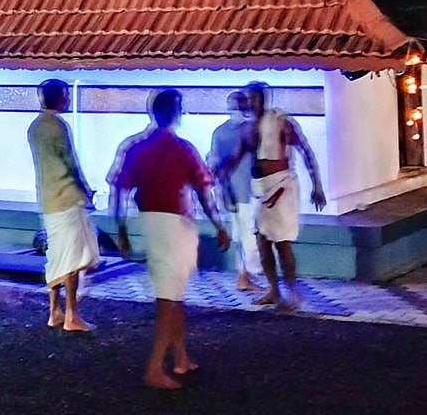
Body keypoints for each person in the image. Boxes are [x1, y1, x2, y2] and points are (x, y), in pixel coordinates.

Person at [109, 89, 229, 390]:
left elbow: (120, 191)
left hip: (150, 221)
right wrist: (219, 225)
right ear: (177, 113)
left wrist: (121, 230)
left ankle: (181, 356)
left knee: (173, 292)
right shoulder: (184, 148)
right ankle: (155, 367)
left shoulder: (137, 147)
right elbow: (204, 192)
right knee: (170, 298)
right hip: (176, 224)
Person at [222, 81, 326, 312]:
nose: (251, 103)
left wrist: (317, 185)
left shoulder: (281, 122)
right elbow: (236, 157)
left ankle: (293, 292)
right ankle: (273, 290)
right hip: (259, 188)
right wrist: (221, 170)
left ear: (264, 99)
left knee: (282, 242)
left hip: (281, 187)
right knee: (263, 242)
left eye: (254, 98)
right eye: (247, 99)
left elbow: (305, 150)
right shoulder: (247, 129)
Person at [29, 79, 98, 332]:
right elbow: (70, 163)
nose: (68, 99)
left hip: (48, 199)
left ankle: (54, 312)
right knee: (71, 257)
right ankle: (70, 315)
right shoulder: (58, 126)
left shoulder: (35, 127)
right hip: (67, 198)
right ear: (58, 97)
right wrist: (86, 191)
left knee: (56, 255)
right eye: (66, 95)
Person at [207, 89, 266, 294]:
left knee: (243, 234)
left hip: (237, 190)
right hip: (243, 190)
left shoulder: (221, 131)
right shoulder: (248, 129)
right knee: (247, 234)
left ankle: (244, 276)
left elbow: (213, 160)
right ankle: (245, 276)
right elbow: (213, 160)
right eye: (237, 104)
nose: (239, 108)